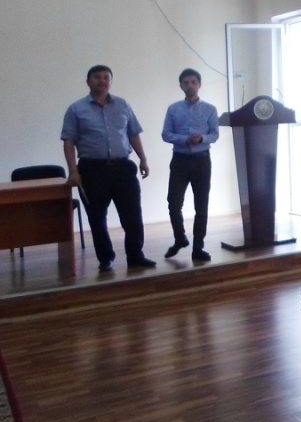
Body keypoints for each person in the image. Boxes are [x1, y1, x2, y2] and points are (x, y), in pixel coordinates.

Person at [62, 64, 156, 271]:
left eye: (106, 77)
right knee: (97, 217)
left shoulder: (123, 105)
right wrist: (73, 171)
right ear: (88, 81)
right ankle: (106, 258)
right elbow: (69, 142)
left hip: (123, 168)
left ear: (111, 82)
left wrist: (143, 159)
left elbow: (133, 134)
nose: (102, 81)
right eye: (97, 77)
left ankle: (135, 255)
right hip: (92, 170)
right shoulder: (76, 109)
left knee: (132, 214)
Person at [161, 68, 219, 262]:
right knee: (173, 203)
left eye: (193, 82)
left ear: (199, 84)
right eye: (186, 82)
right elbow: (166, 134)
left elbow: (215, 134)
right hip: (180, 160)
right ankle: (180, 238)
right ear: (181, 85)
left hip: (202, 160)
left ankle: (198, 247)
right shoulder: (173, 109)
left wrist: (201, 138)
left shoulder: (210, 109)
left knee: (201, 205)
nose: (190, 85)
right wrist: (185, 139)